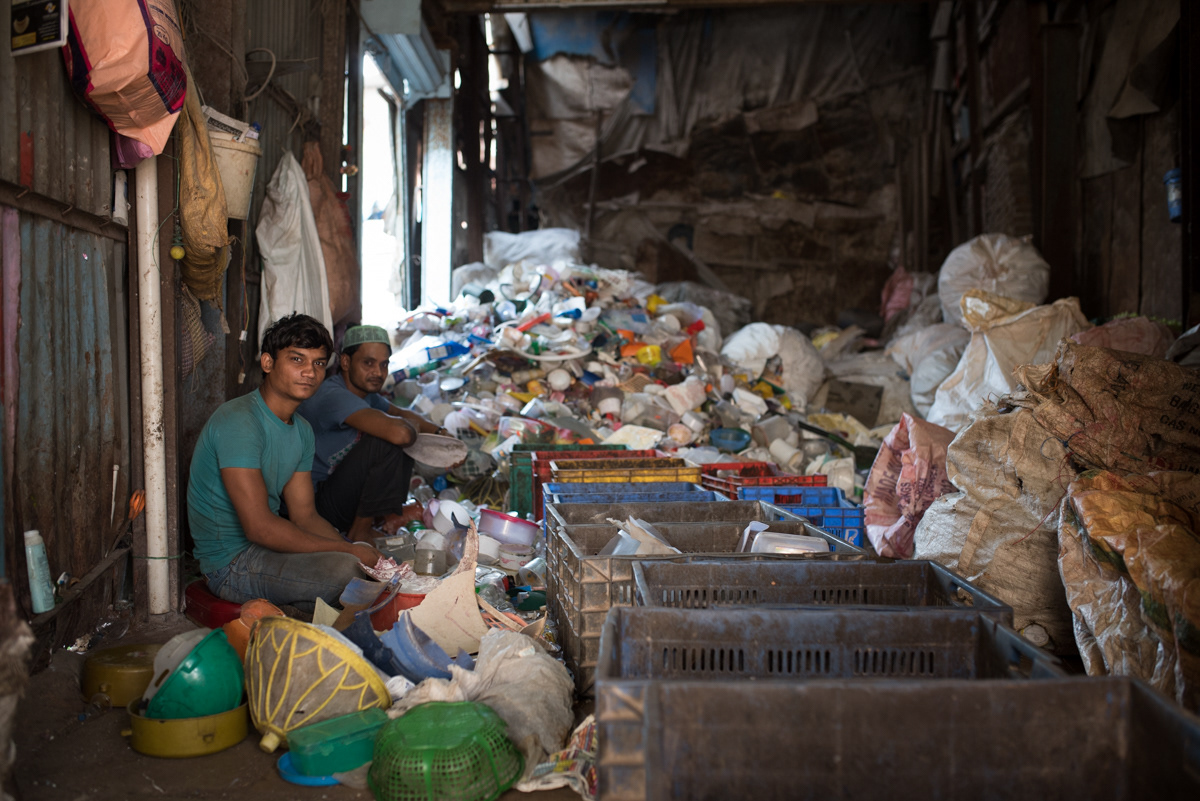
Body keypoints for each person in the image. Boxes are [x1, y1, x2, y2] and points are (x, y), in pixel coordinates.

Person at [186, 313, 381, 611]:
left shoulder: (302, 430)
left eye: (318, 363)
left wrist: (353, 549)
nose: (310, 372)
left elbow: (305, 517)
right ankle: (297, 611)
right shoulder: (240, 420)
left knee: (363, 555)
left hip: (267, 551)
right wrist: (347, 552)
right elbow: (259, 528)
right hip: (231, 565)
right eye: (297, 359)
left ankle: (302, 608)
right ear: (267, 363)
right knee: (348, 570)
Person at [297, 324, 448, 542]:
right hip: (314, 506)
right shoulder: (333, 395)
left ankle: (375, 520)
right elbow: (401, 434)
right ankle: (360, 531)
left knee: (394, 428)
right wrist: (414, 431)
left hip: (338, 494)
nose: (378, 372)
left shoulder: (365, 395)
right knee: (388, 441)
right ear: (346, 362)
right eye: (368, 363)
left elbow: (399, 412)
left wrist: (441, 433)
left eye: (384, 364)